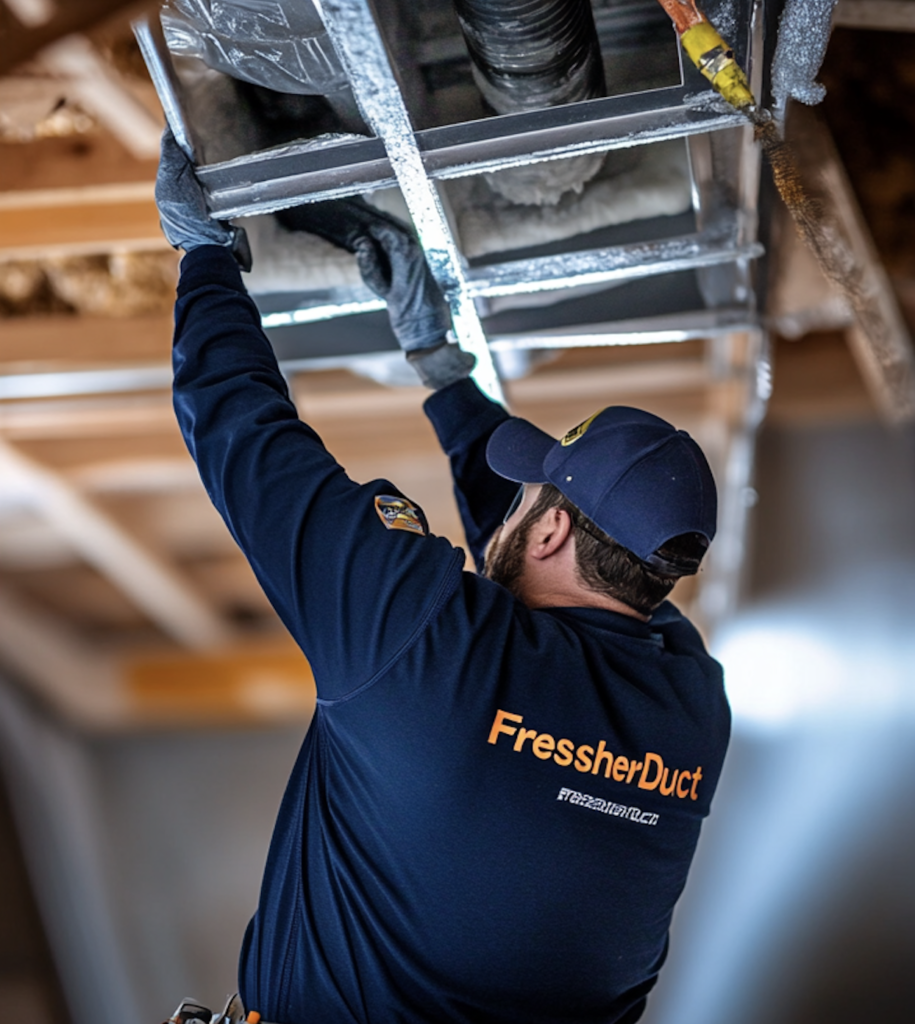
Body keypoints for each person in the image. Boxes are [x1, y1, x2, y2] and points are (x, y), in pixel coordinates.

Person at [156, 129, 730, 1024]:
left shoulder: (695, 702)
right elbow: (530, 571)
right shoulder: (677, 704)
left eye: (532, 494)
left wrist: (204, 262)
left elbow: (252, 452)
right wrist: (442, 373)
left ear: (546, 530)